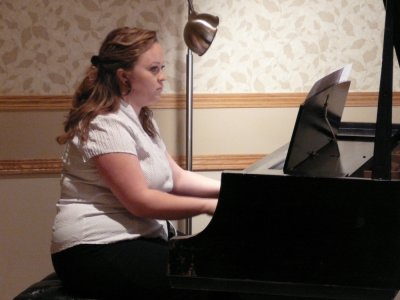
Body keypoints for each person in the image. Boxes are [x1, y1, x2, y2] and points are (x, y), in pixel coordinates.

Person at [51, 26, 220, 299]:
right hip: (94, 249)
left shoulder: (142, 118)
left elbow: (176, 178)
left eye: (162, 67)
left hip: (134, 238)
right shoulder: (103, 124)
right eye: (154, 69)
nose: (163, 77)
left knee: (223, 271)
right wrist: (208, 206)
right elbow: (139, 201)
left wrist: (232, 191)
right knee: (206, 284)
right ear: (124, 76)